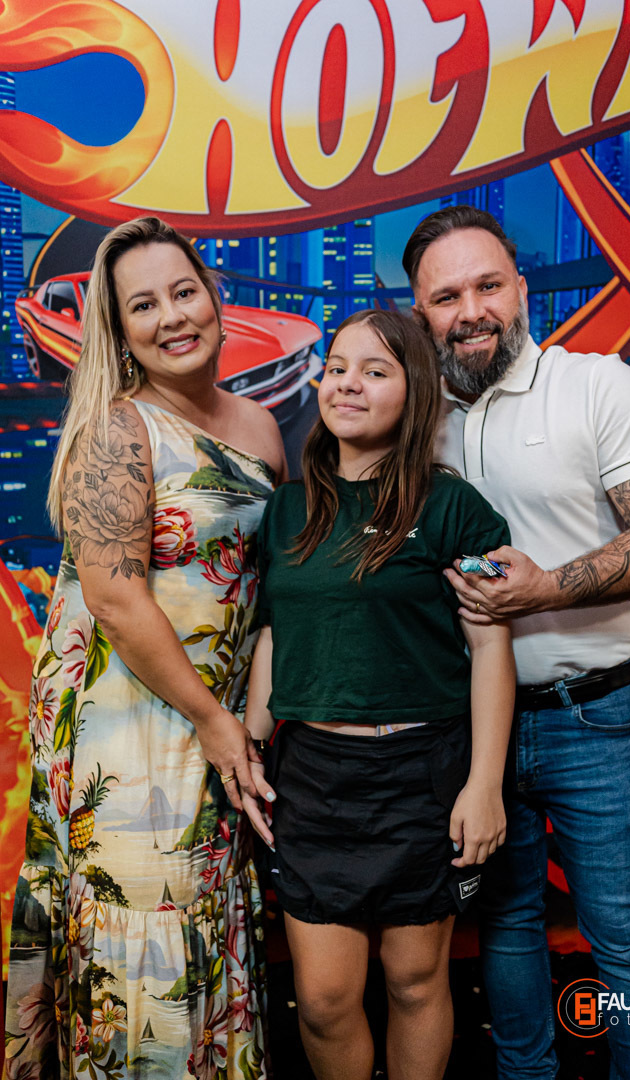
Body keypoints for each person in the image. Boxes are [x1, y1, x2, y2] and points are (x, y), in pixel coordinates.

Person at [402, 204, 630, 1080]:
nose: (470, 311)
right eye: (445, 297)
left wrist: (546, 587)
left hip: (594, 717)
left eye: (487, 286)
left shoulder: (595, 388)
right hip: (470, 732)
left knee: (624, 937)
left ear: (521, 290)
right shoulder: (409, 417)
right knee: (505, 925)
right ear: (419, 312)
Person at [3, 216, 286, 1080]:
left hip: (217, 727)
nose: (171, 317)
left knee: (205, 917)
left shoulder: (261, 426)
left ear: (215, 296)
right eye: (143, 305)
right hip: (131, 729)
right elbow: (116, 601)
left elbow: (269, 588)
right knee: (144, 929)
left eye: (183, 292)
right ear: (119, 331)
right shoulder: (118, 430)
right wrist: (214, 720)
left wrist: (246, 720)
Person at [241, 308, 515, 1080]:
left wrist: (484, 786)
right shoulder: (286, 509)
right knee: (323, 1000)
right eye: (335, 368)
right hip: (311, 782)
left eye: (374, 370)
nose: (346, 384)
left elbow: (492, 647)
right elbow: (275, 634)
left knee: (414, 981)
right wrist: (249, 745)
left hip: (420, 777)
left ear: (415, 390)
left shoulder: (453, 508)